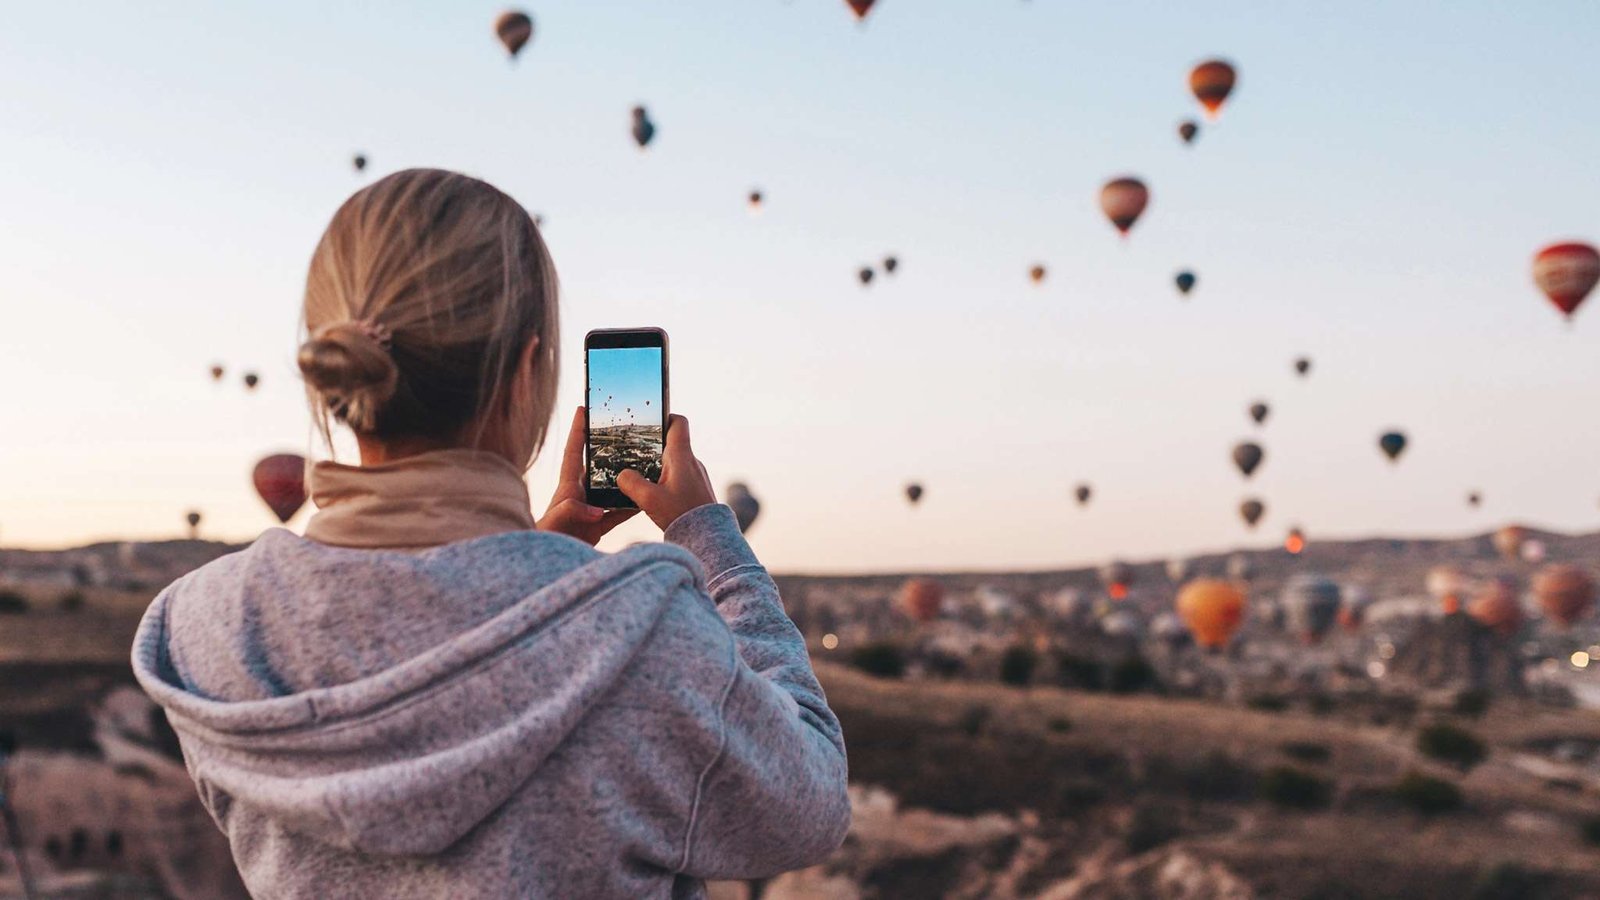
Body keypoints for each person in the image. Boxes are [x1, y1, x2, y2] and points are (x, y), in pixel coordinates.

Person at [132, 168, 850, 899]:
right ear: (527, 374)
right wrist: (709, 540)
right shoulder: (642, 638)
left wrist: (549, 551)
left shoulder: (208, 629)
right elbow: (811, 801)